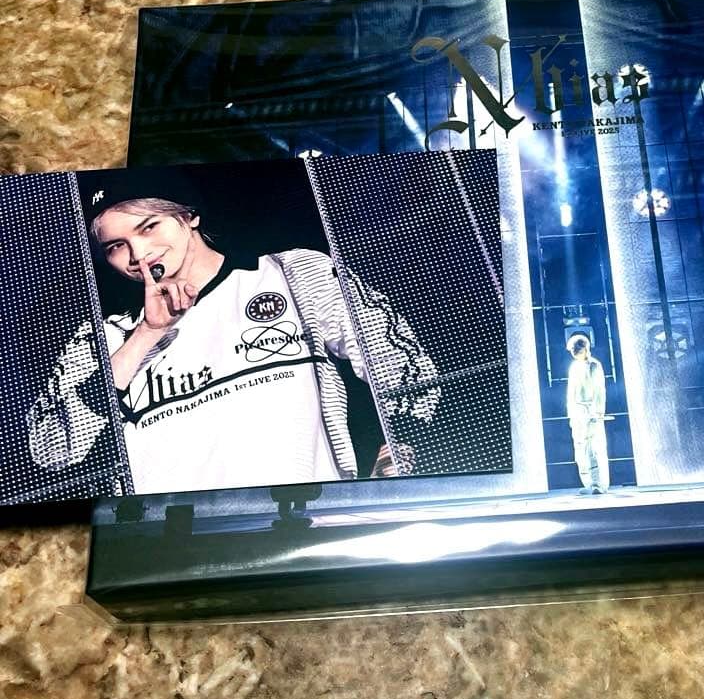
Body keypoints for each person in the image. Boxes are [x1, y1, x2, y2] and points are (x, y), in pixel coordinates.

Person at [26, 178, 439, 494]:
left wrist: (399, 450)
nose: (139, 255)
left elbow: (407, 369)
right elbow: (50, 449)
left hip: (305, 525)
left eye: (149, 227)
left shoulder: (291, 273)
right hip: (171, 548)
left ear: (189, 217)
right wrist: (146, 334)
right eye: (116, 246)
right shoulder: (106, 335)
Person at [565, 333, 609, 495]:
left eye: (576, 349)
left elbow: (599, 390)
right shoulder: (574, 367)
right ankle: (588, 483)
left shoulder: (594, 365)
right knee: (580, 449)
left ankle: (598, 483)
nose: (574, 352)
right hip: (577, 413)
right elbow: (571, 392)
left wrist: (598, 412)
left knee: (593, 448)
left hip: (591, 411)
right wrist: (571, 413)